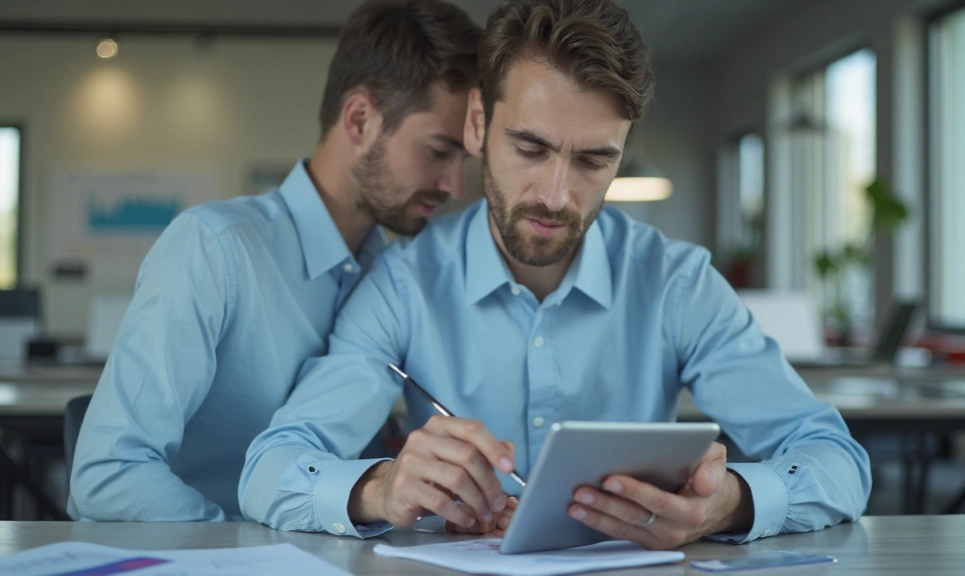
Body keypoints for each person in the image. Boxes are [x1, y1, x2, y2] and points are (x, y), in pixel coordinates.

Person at [240, 0, 871, 547]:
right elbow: (270, 467)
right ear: (479, 124)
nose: (556, 195)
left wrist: (728, 502)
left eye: (595, 160)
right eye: (530, 149)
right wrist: (382, 487)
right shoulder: (402, 285)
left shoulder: (676, 283)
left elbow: (838, 460)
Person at [68, 0, 481, 522]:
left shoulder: (396, 280)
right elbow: (108, 474)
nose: (454, 185)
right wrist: (246, 551)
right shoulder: (214, 249)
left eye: (464, 159)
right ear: (360, 119)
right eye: (439, 150)